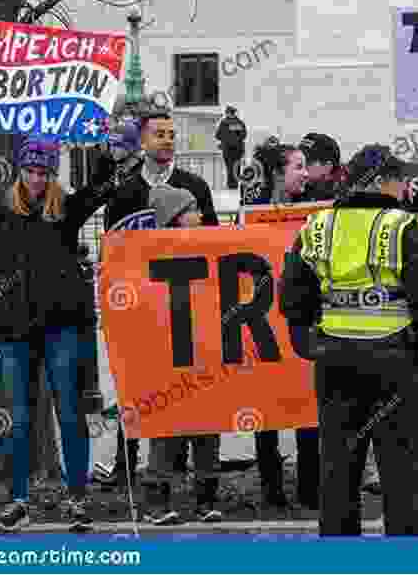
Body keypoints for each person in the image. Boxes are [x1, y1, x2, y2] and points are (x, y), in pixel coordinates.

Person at [279, 144, 418, 536]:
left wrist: (309, 342)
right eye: (397, 179)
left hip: (335, 363)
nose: (404, 186)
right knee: (402, 482)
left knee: (338, 477)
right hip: (396, 365)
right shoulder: (400, 225)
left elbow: (292, 295)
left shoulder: (317, 225)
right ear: (379, 182)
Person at [0, 136, 117, 533]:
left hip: (62, 327)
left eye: (44, 173)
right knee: (20, 417)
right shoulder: (1, 210)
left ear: (53, 174)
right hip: (14, 330)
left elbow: (99, 190)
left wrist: (107, 153)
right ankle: (19, 500)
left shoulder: (65, 208)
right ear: (20, 171)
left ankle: (77, 498)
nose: (37, 180)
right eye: (30, 172)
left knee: (70, 413)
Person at [103, 102, 219, 489]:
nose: (167, 141)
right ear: (142, 139)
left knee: (189, 391)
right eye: (159, 134)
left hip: (188, 309)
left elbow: (217, 246)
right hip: (138, 309)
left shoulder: (195, 186)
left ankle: (181, 474)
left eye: (171, 134)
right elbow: (113, 249)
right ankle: (126, 464)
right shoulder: (125, 189)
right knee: (136, 389)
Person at [138, 183, 223, 524]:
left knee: (207, 427)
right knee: (166, 430)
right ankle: (156, 502)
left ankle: (205, 499)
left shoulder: (211, 249)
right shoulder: (147, 255)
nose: (200, 215)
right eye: (192, 210)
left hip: (202, 349)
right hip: (168, 354)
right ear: (174, 218)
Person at [238, 141, 314, 508]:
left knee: (309, 405)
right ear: (277, 173)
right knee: (267, 408)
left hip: (304, 322)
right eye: (298, 166)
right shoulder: (252, 215)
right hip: (263, 325)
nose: (305, 172)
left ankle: (311, 487)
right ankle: (273, 489)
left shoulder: (317, 210)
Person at [296, 133, 347, 202]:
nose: (299, 166)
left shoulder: (344, 199)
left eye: (307, 162)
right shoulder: (296, 187)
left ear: (327, 167)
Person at [216, 106, 247, 190]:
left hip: (228, 149)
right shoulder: (240, 123)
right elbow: (244, 135)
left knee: (229, 167)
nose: (226, 114)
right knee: (236, 167)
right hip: (238, 149)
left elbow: (218, 135)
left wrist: (226, 139)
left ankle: (231, 185)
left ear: (229, 113)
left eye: (227, 113)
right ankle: (235, 184)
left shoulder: (224, 123)